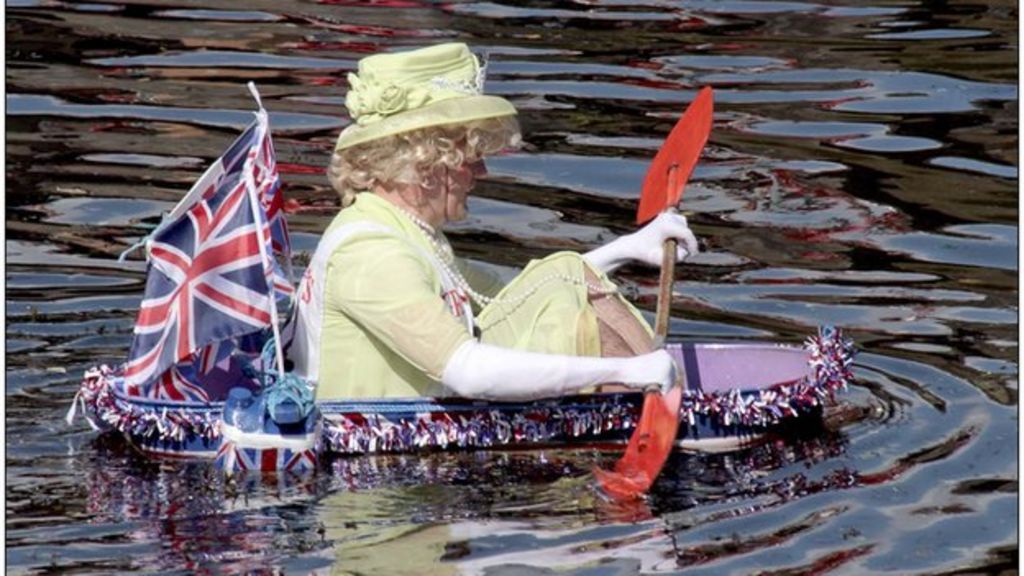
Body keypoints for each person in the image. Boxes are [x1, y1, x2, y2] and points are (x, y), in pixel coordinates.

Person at [289, 43, 699, 402]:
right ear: (426, 166)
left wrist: (630, 248)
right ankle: (659, 401)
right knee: (566, 296)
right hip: (373, 478)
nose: (481, 171)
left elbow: (518, 299)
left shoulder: (406, 231)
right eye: (470, 157)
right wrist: (622, 372)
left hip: (422, 458)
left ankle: (659, 395)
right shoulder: (372, 255)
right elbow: (466, 370)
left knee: (566, 274)